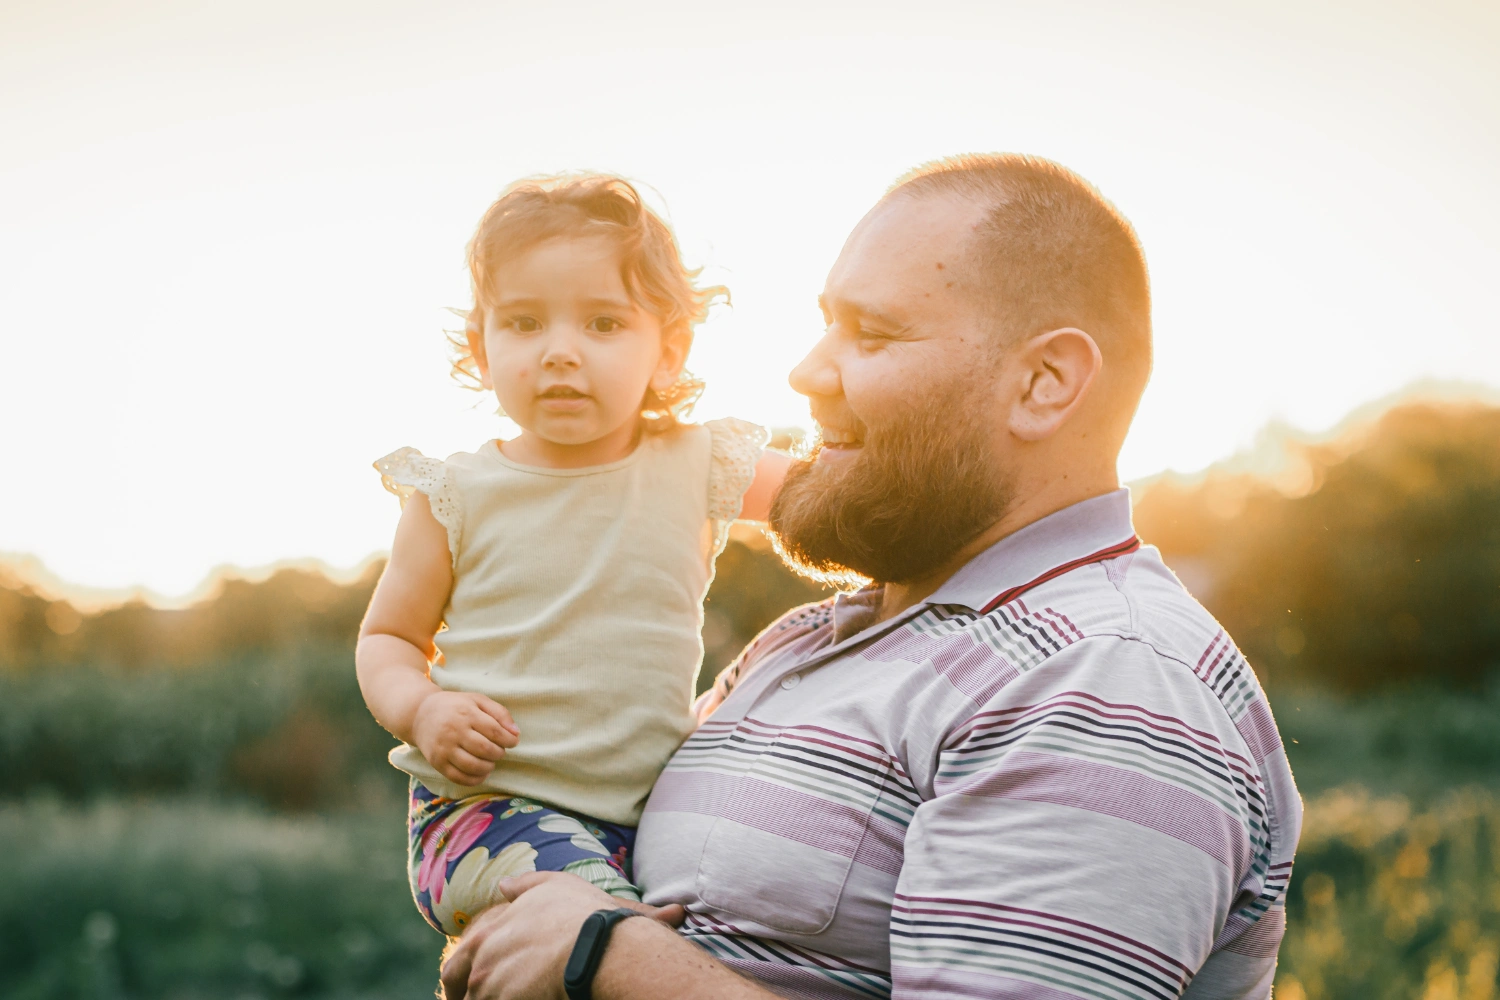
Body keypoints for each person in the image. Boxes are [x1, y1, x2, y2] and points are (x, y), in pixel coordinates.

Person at [438, 154, 1303, 1000]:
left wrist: (608, 959)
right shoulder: (816, 637)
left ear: (1044, 383)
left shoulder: (1102, 676)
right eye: (826, 326)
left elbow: (614, 949)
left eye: (872, 333)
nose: (808, 373)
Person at [355, 175, 791, 940]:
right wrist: (423, 710)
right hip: (480, 815)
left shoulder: (697, 463)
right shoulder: (454, 494)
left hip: (644, 821)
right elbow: (386, 639)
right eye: (524, 323)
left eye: (602, 323)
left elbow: (842, 502)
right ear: (480, 349)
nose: (560, 352)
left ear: (668, 350)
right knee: (609, 939)